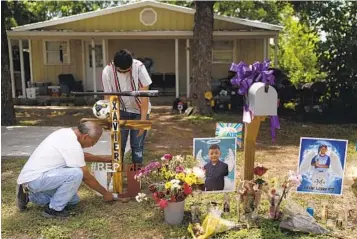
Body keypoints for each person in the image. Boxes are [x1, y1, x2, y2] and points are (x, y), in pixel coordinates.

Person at [16, 121, 116, 218]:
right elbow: (86, 177)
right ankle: (53, 210)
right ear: (85, 136)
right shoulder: (72, 145)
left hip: (38, 177)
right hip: (36, 179)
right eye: (93, 142)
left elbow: (78, 155)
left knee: (73, 200)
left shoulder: (65, 133)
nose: (92, 145)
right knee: (76, 173)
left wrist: (103, 159)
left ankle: (29, 196)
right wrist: (105, 193)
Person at [101, 49, 152, 164]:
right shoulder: (107, 71)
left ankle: (136, 178)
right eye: (121, 72)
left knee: (137, 146)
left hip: (140, 111)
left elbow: (145, 96)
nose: (124, 73)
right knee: (118, 145)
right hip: (120, 110)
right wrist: (109, 119)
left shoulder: (139, 67)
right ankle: (117, 177)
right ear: (115, 65)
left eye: (127, 71)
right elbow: (108, 98)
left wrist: (142, 122)